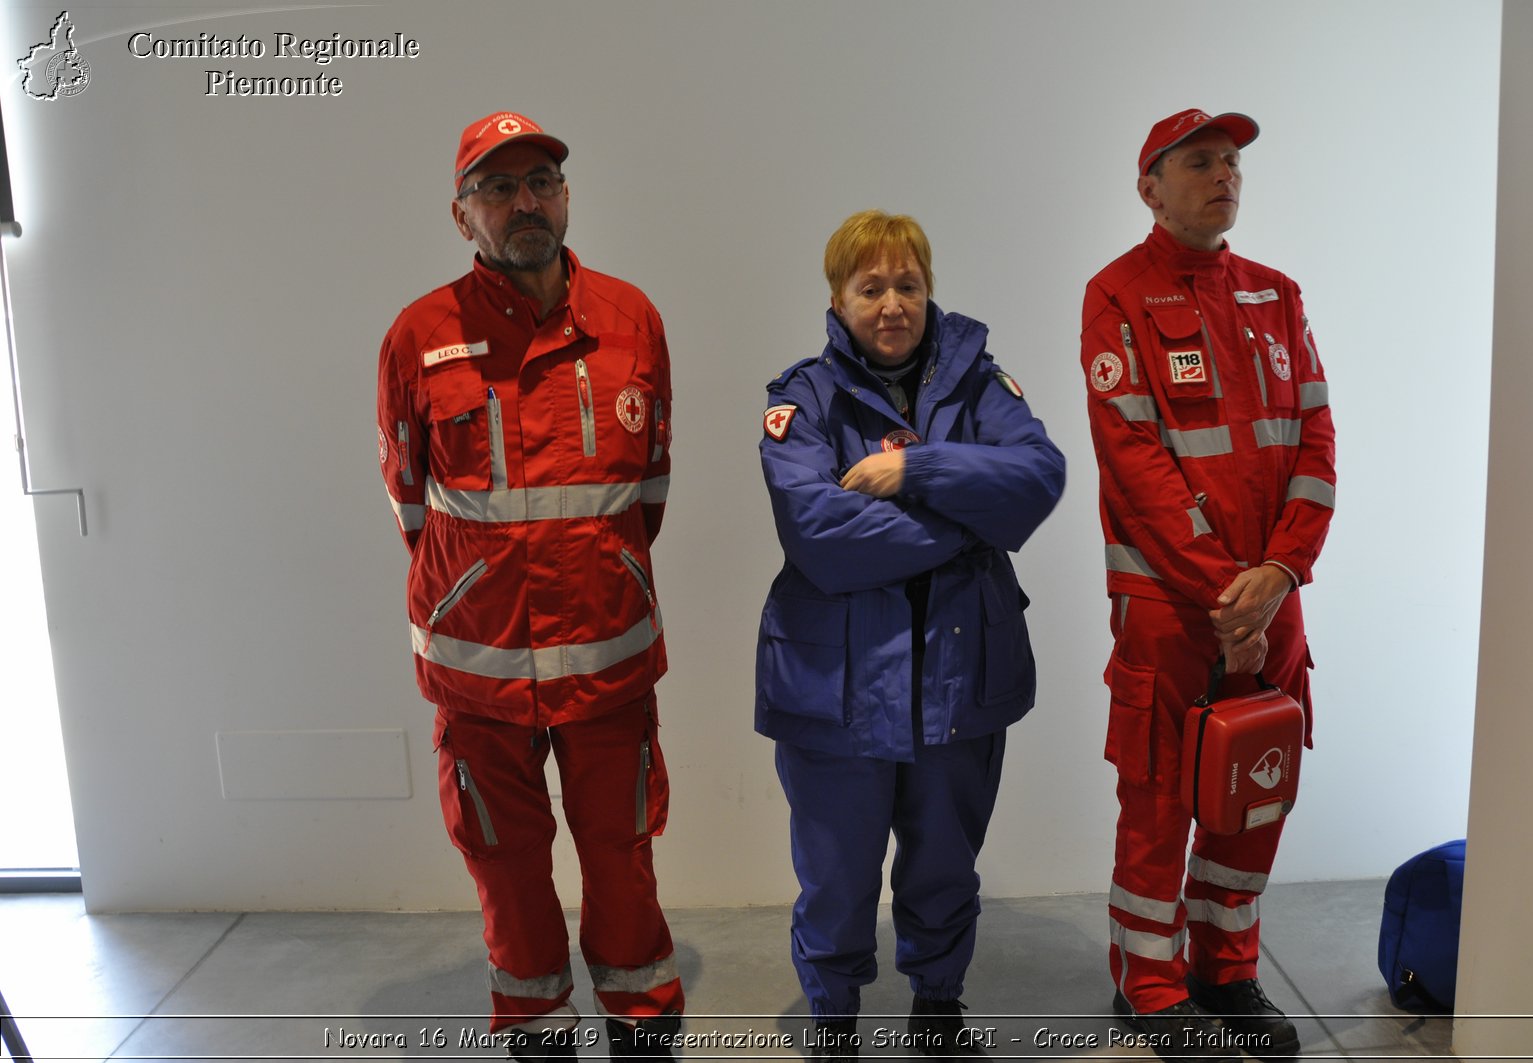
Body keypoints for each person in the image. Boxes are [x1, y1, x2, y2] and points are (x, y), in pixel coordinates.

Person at [376, 112, 683, 1062]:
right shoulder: (418, 337)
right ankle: (537, 1021)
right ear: (462, 213)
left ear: (565, 195)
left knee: (620, 853)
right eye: (498, 189)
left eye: (541, 181)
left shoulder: (633, 321)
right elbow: (410, 500)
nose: (525, 204)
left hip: (607, 652)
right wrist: (477, 588)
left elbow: (651, 490)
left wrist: (604, 573)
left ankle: (641, 1012)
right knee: (505, 864)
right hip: (480, 668)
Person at [757, 210, 1065, 1060]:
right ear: (837, 298)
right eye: (871, 287)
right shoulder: (802, 401)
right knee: (837, 877)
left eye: (908, 285)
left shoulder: (981, 386)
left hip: (961, 679)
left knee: (944, 866)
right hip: (836, 691)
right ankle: (835, 1025)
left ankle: (938, 1008)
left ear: (928, 290)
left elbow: (1039, 478)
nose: (892, 304)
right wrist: (968, 522)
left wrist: (917, 470)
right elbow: (819, 536)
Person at [1079, 109, 1336, 1062]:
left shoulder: (1278, 296)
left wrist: (1278, 572)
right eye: (1199, 162)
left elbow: (1316, 443)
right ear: (1150, 186)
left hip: (1273, 599)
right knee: (1158, 794)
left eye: (1231, 162)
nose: (1223, 174)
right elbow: (1135, 461)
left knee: (1254, 786)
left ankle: (1223, 969)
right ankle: (1148, 983)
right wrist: (1228, 591)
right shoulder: (1116, 296)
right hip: (1169, 603)